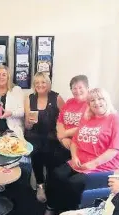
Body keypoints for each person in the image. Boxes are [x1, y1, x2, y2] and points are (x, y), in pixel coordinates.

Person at [43, 88, 119, 215]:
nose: (97, 103)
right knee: (56, 175)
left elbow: (115, 149)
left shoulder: (116, 119)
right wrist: (74, 156)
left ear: (107, 100)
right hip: (80, 161)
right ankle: (54, 208)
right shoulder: (87, 118)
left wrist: (94, 163)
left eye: (100, 99)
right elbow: (75, 142)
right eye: (92, 100)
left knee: (73, 183)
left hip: (103, 166)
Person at [24, 72, 69, 203]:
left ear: (48, 83)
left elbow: (66, 118)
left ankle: (50, 185)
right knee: (36, 150)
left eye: (43, 82)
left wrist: (64, 134)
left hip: (52, 135)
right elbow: (27, 126)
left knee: (51, 151)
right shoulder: (29, 98)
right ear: (34, 85)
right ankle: (40, 185)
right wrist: (29, 122)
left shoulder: (57, 97)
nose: (40, 85)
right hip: (34, 135)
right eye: (37, 83)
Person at [56, 75, 89, 149]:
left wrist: (63, 135)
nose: (77, 91)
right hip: (64, 141)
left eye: (80, 87)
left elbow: (87, 128)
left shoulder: (92, 104)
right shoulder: (69, 102)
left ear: (87, 88)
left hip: (81, 145)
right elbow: (60, 121)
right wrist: (63, 139)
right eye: (74, 88)